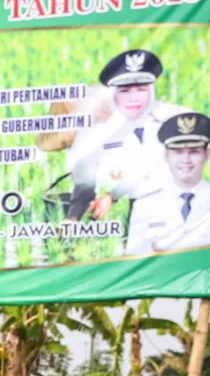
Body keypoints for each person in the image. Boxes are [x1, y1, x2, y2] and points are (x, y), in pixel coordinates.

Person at [68, 49, 176, 222]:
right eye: (125, 91)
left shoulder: (171, 120)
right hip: (137, 219)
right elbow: (84, 179)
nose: (134, 98)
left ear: (151, 91)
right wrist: (72, 218)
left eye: (141, 89)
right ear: (113, 95)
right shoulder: (98, 131)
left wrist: (111, 196)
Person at [125, 112, 210, 255]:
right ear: (166, 155)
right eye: (178, 152)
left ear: (207, 154)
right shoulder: (145, 205)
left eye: (194, 152)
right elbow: (132, 259)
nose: (186, 159)